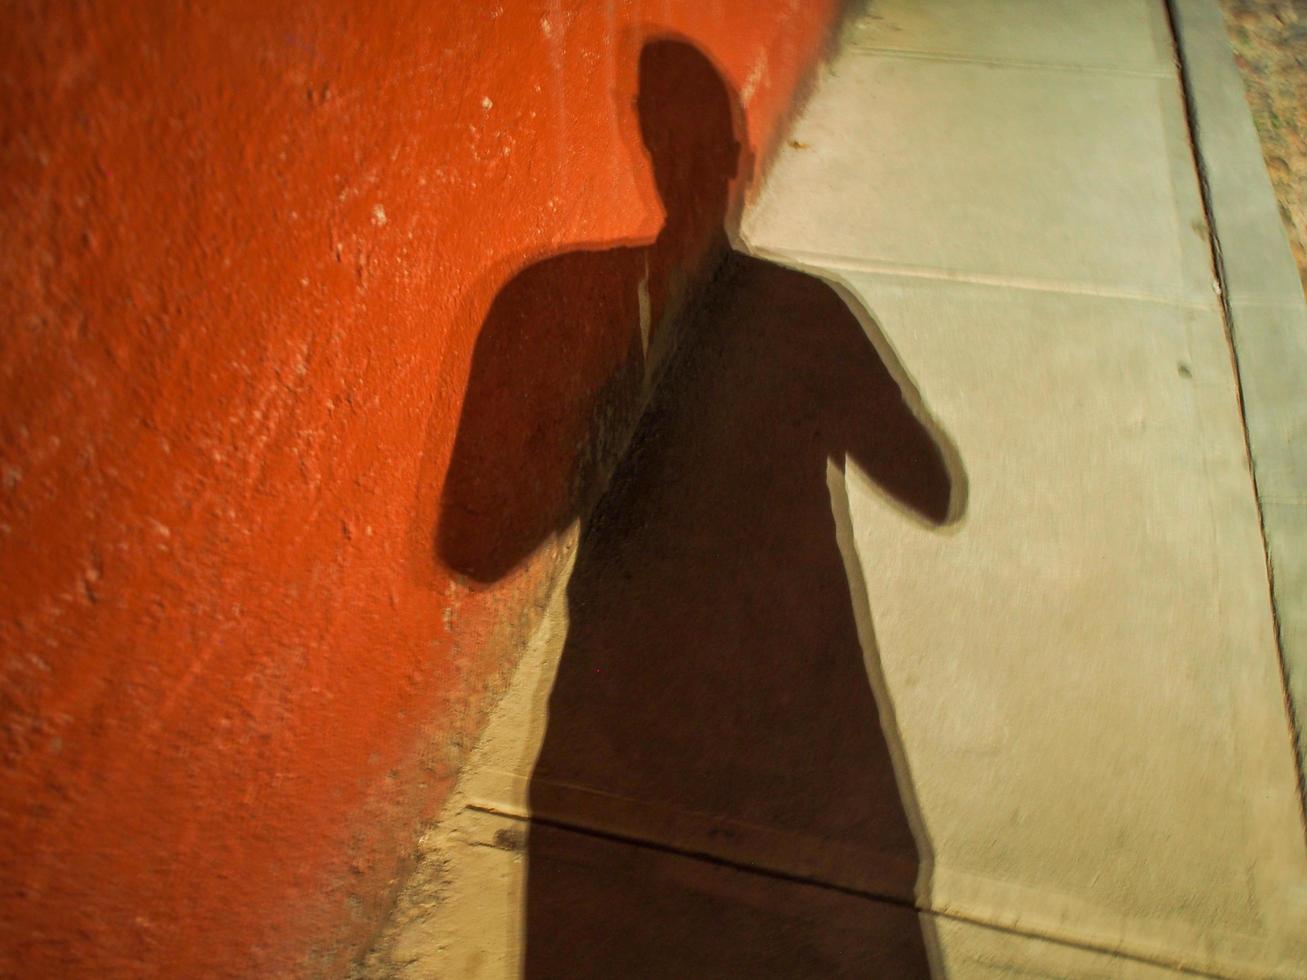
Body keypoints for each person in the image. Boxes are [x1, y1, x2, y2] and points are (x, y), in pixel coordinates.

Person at [441, 37, 964, 977]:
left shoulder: (553, 299)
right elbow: (932, 487)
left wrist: (608, 418)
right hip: (796, 768)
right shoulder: (803, 311)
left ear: (645, 147)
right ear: (743, 163)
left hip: (614, 766)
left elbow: (474, 548)